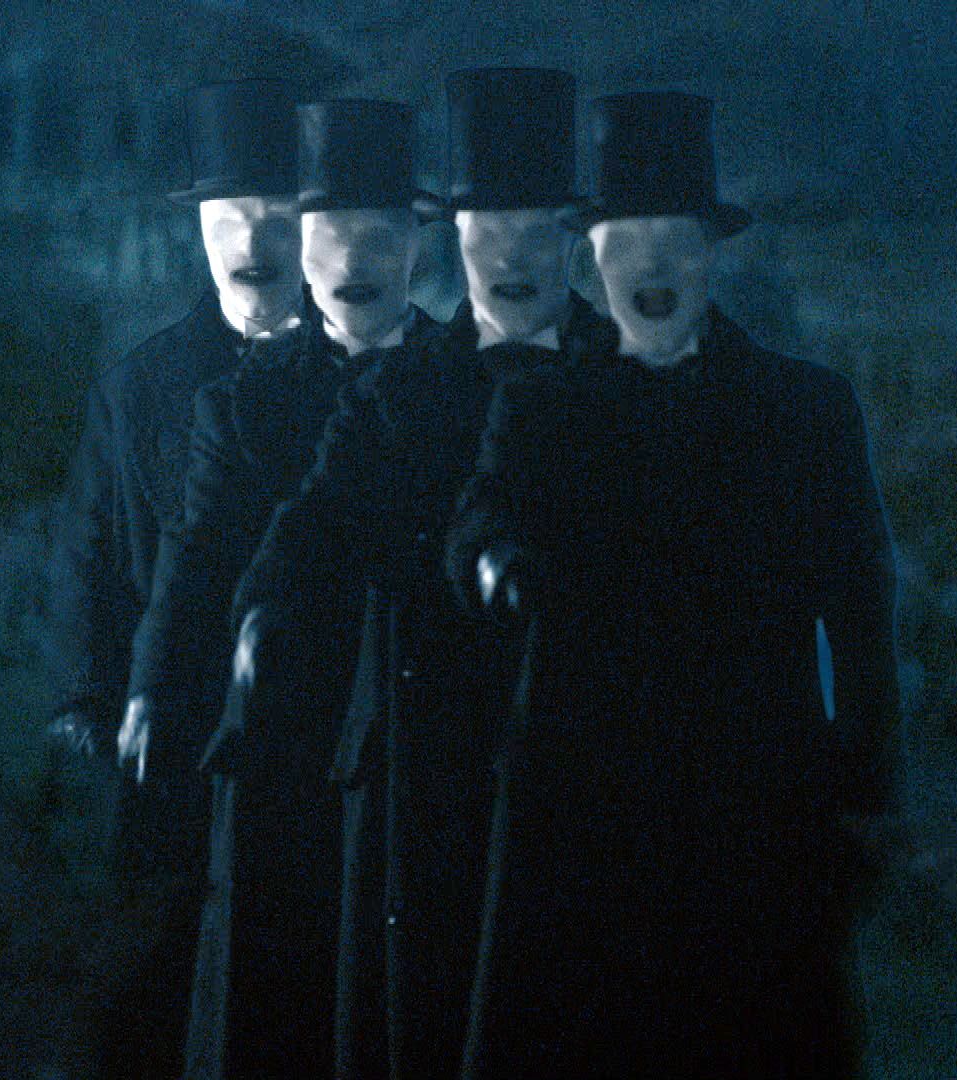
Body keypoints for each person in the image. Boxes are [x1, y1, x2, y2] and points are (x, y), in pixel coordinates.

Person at [444, 90, 905, 1078]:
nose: (652, 270)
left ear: (713, 255)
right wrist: (499, 566)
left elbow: (861, 610)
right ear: (591, 261)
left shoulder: (804, 412)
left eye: (675, 244)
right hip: (583, 811)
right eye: (628, 245)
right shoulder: (541, 409)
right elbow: (482, 518)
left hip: (754, 810)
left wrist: (863, 788)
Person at [226, 67, 612, 1080]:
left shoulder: (628, 383)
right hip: (426, 777)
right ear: (454, 240)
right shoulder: (403, 390)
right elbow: (318, 518)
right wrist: (265, 607)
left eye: (537, 233)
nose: (512, 259)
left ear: (575, 244)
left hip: (591, 772)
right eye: (489, 232)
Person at [124, 97, 447, 1080]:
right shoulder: (242, 402)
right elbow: (193, 554)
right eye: (328, 235)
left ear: (418, 243)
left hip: (424, 730)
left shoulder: (470, 384)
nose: (352, 261)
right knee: (275, 982)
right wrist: (152, 687)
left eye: (377, 235)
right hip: (285, 731)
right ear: (300, 247)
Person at [41, 76, 306, 1080]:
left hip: (319, 738)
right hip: (175, 750)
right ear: (198, 228)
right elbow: (90, 550)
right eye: (229, 217)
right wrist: (83, 700)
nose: (252, 242)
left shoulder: (363, 374)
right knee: (167, 991)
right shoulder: (141, 387)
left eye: (276, 217)